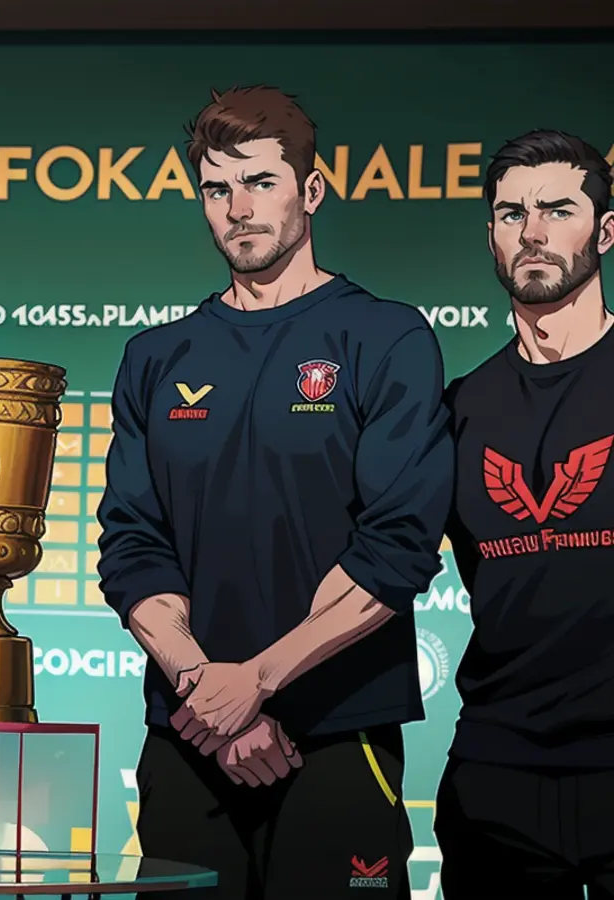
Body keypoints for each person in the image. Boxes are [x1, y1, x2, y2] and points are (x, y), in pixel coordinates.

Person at [96, 86, 454, 899]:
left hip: (336, 736)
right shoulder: (156, 356)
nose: (238, 208)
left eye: (260, 182)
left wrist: (257, 682)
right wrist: (203, 688)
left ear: (312, 190)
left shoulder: (385, 336)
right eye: (217, 189)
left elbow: (394, 548)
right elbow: (132, 547)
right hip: (189, 739)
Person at [435, 131, 614, 899]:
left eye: (557, 210)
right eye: (511, 213)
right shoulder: (458, 409)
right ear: (492, 237)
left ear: (605, 231)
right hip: (497, 773)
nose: (533, 232)